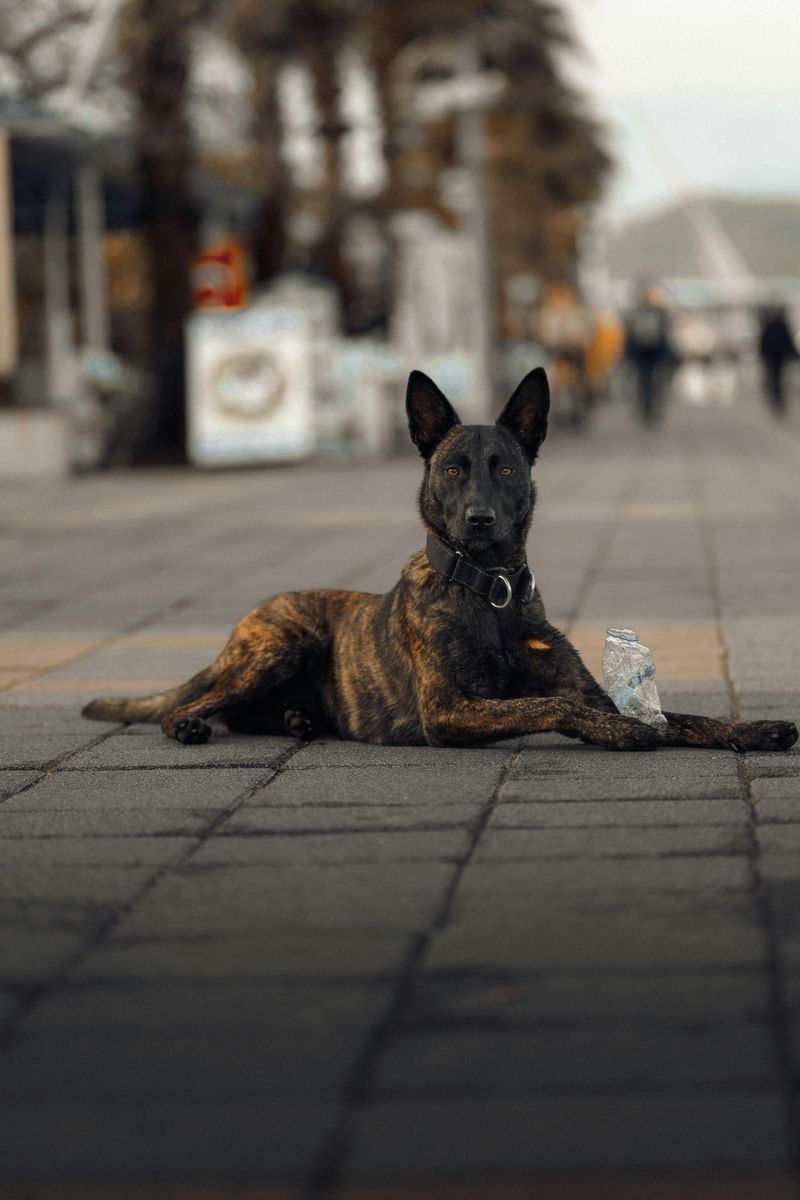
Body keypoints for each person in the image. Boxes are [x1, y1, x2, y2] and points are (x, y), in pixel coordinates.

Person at [624, 284, 677, 425]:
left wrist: (628, 355)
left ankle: (646, 408)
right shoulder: (659, 313)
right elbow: (666, 336)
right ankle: (651, 408)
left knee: (645, 381)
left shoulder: (636, 313)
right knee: (654, 382)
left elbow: (629, 335)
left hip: (642, 353)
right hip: (654, 353)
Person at [758, 305, 797, 414]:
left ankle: (777, 395)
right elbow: (787, 340)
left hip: (773, 355)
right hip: (778, 355)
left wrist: (763, 353)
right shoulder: (781, 325)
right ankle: (777, 395)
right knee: (777, 376)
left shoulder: (770, 325)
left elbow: (764, 341)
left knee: (775, 376)